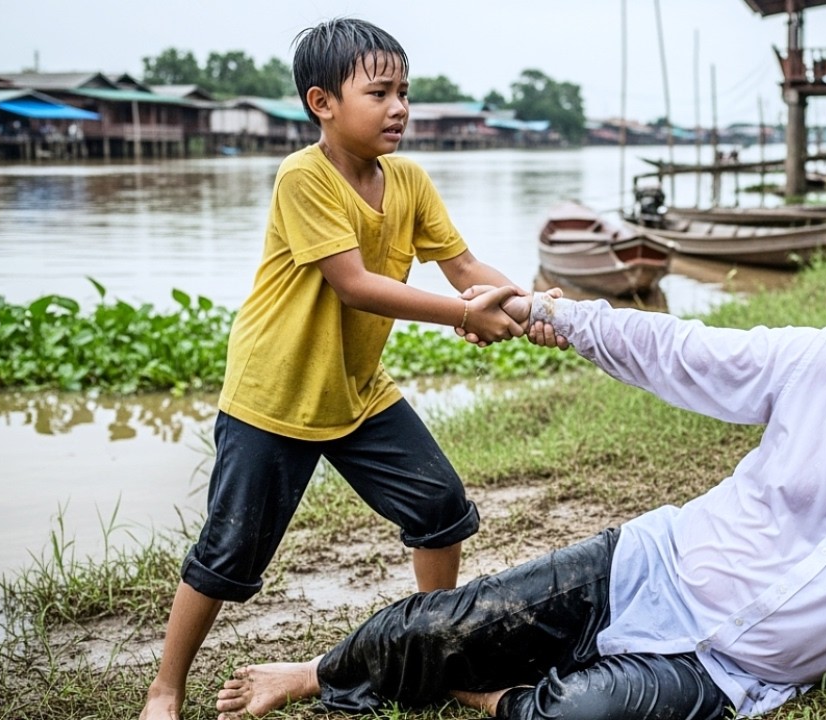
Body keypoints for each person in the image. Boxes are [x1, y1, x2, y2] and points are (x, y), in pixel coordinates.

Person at [213, 273, 826, 720]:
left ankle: (496, 687)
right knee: (438, 625)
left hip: (733, 673)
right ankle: (316, 672)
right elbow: (677, 347)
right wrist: (550, 313)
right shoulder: (823, 365)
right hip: (654, 566)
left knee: (575, 719)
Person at [138, 17, 537, 720]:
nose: (400, 108)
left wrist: (534, 309)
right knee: (228, 556)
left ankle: (429, 658)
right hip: (274, 396)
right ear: (322, 102)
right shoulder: (304, 177)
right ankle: (164, 691)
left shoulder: (408, 179)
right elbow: (353, 283)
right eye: (379, 92)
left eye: (405, 92)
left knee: (441, 510)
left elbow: (466, 268)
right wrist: (467, 315)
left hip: (356, 395)